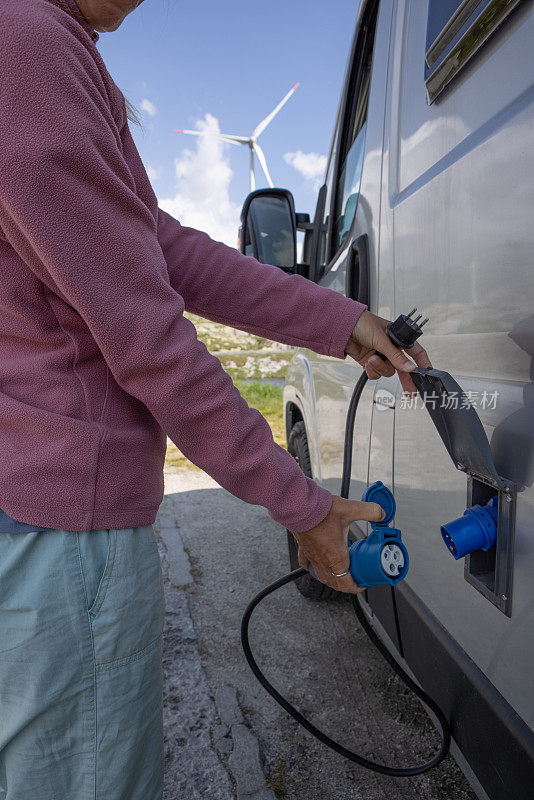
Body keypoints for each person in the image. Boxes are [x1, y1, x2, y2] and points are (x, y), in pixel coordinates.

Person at [0, 1, 431, 798]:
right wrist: (302, 506)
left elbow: (165, 251)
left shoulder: (47, 48)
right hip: (61, 533)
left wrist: (337, 321)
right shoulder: (27, 46)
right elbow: (150, 341)